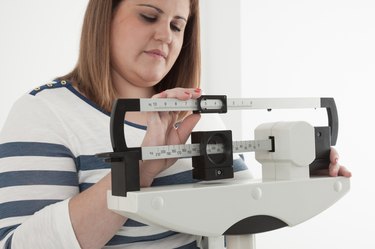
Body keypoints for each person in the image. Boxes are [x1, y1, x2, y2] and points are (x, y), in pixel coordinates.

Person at [0, 0, 351, 249]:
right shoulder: (44, 113)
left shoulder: (193, 117)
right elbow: (21, 244)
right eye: (148, 16)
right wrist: (140, 169)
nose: (165, 36)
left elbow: (247, 214)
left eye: (177, 25)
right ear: (105, 15)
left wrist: (304, 177)